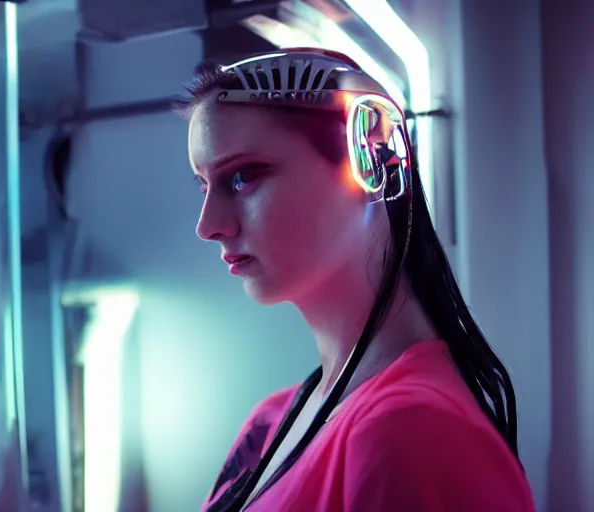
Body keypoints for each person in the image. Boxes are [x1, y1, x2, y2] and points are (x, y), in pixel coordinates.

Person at [174, 48, 536, 512]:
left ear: (372, 157)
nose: (208, 225)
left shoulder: (409, 432)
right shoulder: (271, 420)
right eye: (205, 185)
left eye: (243, 176)